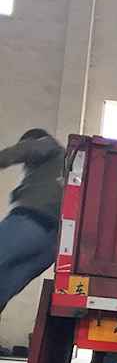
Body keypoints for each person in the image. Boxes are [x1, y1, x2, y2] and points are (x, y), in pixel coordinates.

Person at [0, 128, 65, 315]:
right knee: (5, 286)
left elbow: (29, 148)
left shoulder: (48, 145)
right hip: (51, 246)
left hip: (31, 222)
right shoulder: (66, 167)